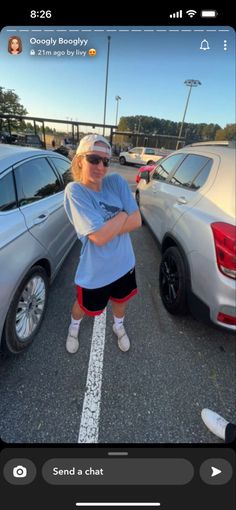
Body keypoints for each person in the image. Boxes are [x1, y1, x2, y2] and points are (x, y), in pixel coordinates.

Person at [64, 133, 141, 354]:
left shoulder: (115, 181)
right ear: (79, 160)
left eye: (106, 161)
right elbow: (98, 238)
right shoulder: (76, 191)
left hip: (124, 263)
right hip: (95, 271)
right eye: (94, 159)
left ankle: (118, 326)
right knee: (83, 306)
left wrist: (110, 226)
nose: (101, 167)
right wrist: (121, 216)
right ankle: (74, 326)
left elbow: (136, 220)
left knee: (121, 301)